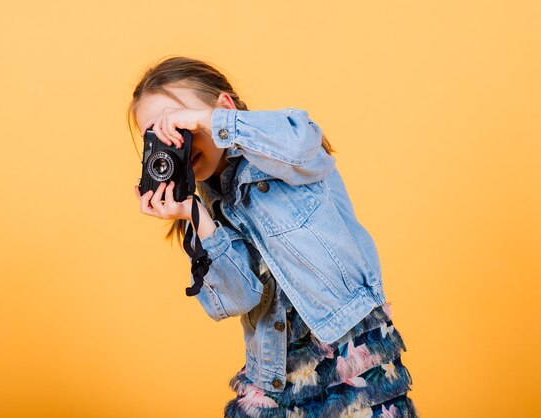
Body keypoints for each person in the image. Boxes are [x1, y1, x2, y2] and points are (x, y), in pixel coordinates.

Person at [129, 56, 419, 418]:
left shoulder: (281, 152)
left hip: (350, 347)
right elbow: (237, 298)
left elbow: (302, 138)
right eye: (155, 136)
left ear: (223, 108)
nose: (173, 141)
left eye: (176, 123)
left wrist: (211, 124)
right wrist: (195, 215)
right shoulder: (202, 208)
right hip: (273, 363)